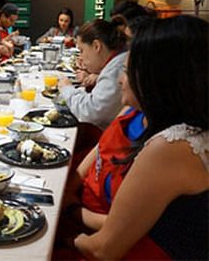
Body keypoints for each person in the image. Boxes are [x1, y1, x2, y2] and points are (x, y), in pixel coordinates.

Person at [74, 15, 208, 259]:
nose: (119, 79)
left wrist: (69, 223)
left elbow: (103, 249)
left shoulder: (171, 146)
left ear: (159, 78)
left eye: (126, 70)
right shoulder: (142, 112)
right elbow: (98, 154)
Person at [56, 52, 147, 249]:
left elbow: (121, 229)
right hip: (79, 204)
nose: (120, 81)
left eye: (125, 72)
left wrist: (72, 211)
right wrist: (69, 188)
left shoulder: (163, 147)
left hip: (92, 232)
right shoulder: (133, 110)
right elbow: (101, 148)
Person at [58, 18, 128, 130]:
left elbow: (89, 112)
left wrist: (67, 88)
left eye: (81, 50)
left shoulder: (116, 69)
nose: (80, 57)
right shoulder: (117, 61)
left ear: (96, 46)